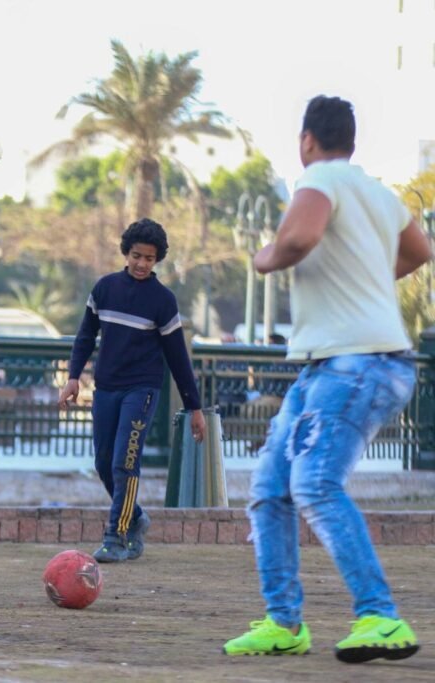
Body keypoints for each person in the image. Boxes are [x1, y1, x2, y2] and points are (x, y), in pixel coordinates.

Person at [223, 96, 431, 663]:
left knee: (313, 483)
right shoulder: (379, 194)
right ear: (352, 141)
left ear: (307, 140)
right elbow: (419, 250)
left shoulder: (318, 180)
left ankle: (381, 617)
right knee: (269, 487)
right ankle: (285, 624)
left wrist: (267, 256)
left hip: (357, 363)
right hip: (334, 364)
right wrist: (365, 282)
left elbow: (299, 238)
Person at [58, 218, 205, 563]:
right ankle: (135, 517)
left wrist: (194, 408)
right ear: (126, 253)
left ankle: (117, 535)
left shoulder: (163, 301)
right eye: (137, 255)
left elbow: (178, 358)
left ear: (158, 260)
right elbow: (84, 337)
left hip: (142, 390)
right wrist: (73, 376)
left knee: (126, 461)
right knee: (103, 463)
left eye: (149, 258)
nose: (141, 264)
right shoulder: (105, 289)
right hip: (107, 388)